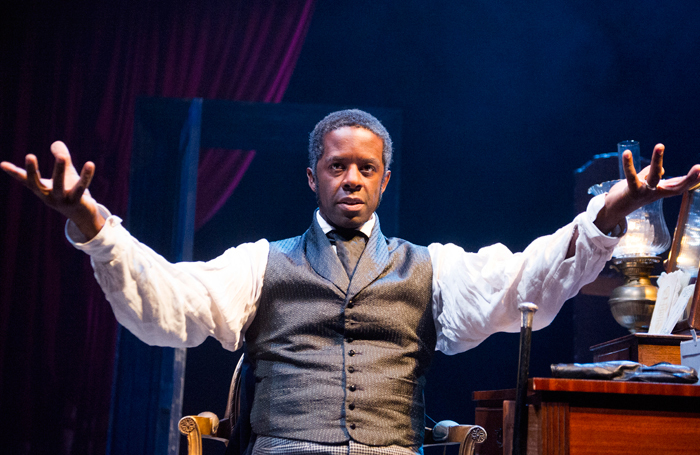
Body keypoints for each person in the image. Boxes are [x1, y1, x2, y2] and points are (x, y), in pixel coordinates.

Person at [3, 109, 700, 455]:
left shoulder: (434, 267)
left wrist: (610, 209)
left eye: (366, 168)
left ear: (385, 179)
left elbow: (529, 276)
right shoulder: (258, 262)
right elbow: (168, 306)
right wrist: (94, 224)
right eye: (337, 166)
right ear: (313, 176)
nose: (352, 179)